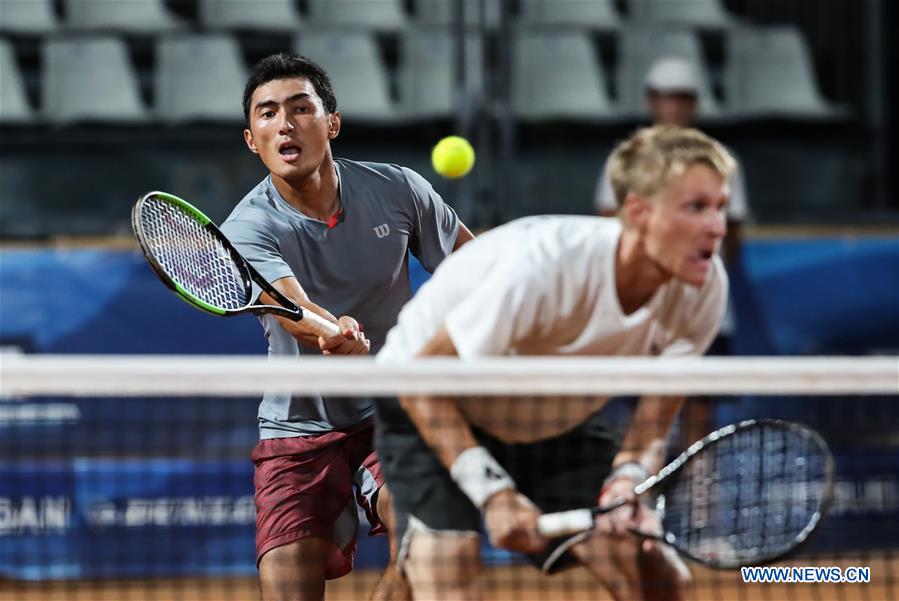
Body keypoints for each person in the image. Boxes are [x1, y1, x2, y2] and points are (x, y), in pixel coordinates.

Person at [375, 125, 733, 600]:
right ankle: (414, 566)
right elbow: (425, 378)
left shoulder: (703, 288)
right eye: (696, 208)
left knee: (659, 577)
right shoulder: (546, 267)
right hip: (428, 397)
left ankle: (411, 567)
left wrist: (626, 486)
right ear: (639, 214)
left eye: (720, 207)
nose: (717, 226)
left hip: (547, 417)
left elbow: (651, 424)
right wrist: (493, 494)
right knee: (447, 576)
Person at [219, 53, 474, 601]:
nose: (284, 124)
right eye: (267, 114)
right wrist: (330, 332)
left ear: (332, 123)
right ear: (251, 139)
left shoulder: (398, 190)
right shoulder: (245, 228)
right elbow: (293, 309)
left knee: (424, 530)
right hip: (299, 432)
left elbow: (476, 271)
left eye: (300, 108)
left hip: (392, 412)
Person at [595, 56, 748, 443]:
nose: (674, 106)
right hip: (641, 307)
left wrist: (693, 274)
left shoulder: (722, 162)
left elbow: (731, 234)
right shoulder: (625, 160)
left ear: (694, 103)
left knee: (698, 405)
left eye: (682, 97)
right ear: (651, 101)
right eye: (665, 97)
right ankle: (637, 491)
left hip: (703, 305)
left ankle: (699, 504)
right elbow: (610, 227)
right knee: (642, 409)